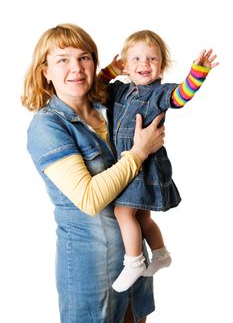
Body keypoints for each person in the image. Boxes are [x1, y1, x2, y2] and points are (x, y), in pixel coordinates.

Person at [21, 23, 166, 323]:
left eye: (84, 57)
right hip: (91, 269)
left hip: (133, 260)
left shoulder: (109, 103)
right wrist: (140, 151)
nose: (76, 68)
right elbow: (89, 198)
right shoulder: (47, 127)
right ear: (44, 70)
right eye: (62, 59)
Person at [99, 30, 219, 292]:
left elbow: (181, 96)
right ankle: (161, 254)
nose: (144, 64)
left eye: (152, 59)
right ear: (126, 65)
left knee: (122, 211)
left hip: (144, 167)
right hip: (128, 163)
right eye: (137, 59)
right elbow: (96, 90)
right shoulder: (119, 90)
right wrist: (110, 70)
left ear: (162, 65)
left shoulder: (159, 93)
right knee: (141, 217)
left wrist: (198, 72)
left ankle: (133, 262)